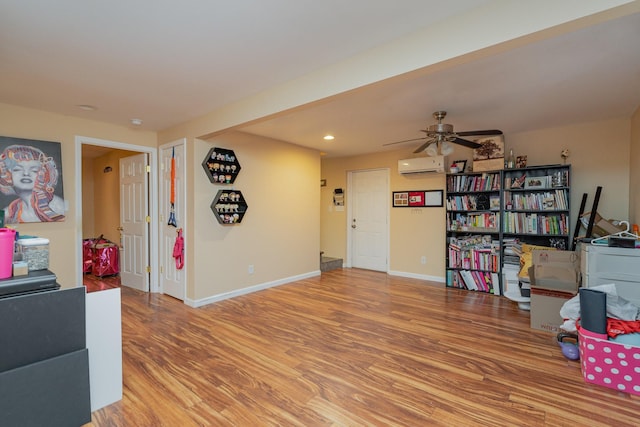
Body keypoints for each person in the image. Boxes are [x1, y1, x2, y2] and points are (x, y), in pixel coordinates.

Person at [0, 144, 65, 223]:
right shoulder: (11, 210)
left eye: (34, 170)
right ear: (7, 175)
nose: (26, 173)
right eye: (18, 169)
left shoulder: (56, 205)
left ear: (44, 175)